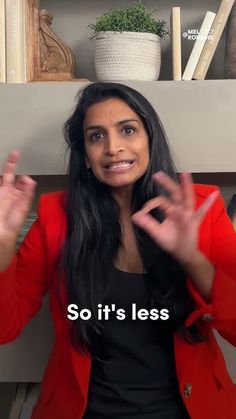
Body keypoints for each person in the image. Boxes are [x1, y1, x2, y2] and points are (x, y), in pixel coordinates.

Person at [0, 82, 236, 419]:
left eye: (127, 130)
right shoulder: (56, 216)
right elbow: (4, 328)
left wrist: (193, 259)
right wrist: (2, 242)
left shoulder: (201, 209)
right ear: (85, 156)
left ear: (150, 138)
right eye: (96, 136)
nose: (113, 147)